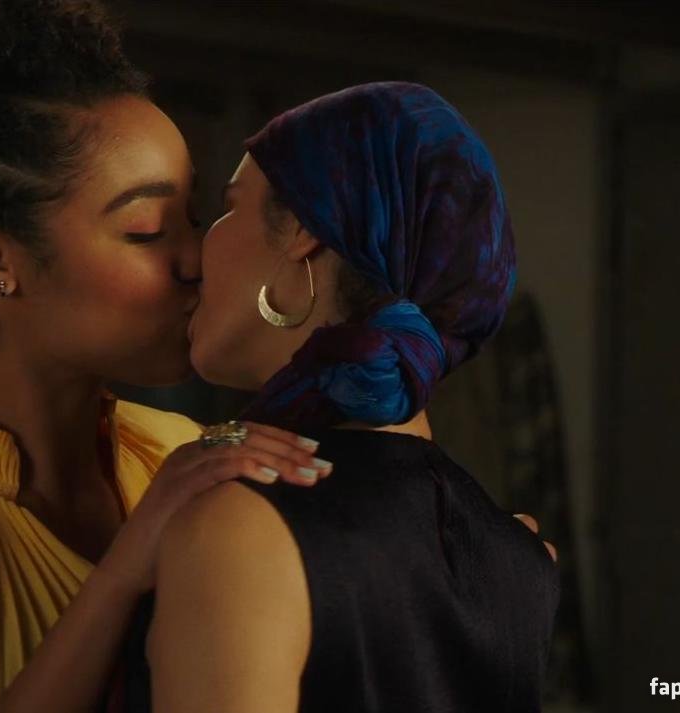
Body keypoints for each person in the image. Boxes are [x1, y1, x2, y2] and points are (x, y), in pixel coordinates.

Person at [0, 3, 556, 712]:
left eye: (198, 215)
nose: (196, 258)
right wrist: (119, 578)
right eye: (144, 231)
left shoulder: (200, 458)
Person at [113, 82, 561, 713]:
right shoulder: (520, 555)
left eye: (227, 207)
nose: (195, 253)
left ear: (302, 231)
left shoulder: (241, 532)